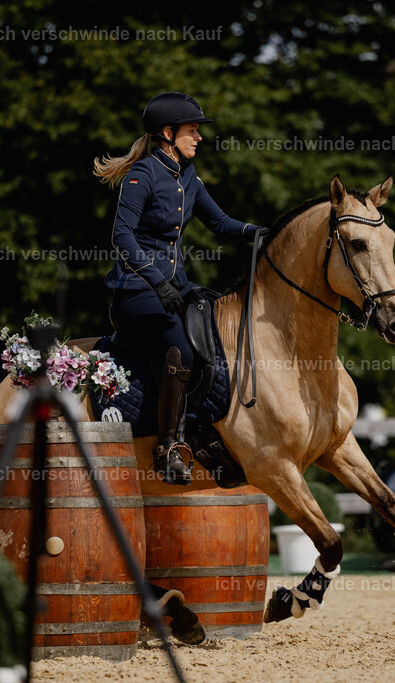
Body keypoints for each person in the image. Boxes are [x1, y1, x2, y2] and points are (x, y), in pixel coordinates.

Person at [94, 91, 264, 485]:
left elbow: (221, 223)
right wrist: (157, 280)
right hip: (135, 293)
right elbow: (122, 235)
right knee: (182, 352)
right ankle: (167, 448)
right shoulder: (142, 175)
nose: (199, 137)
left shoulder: (187, 176)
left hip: (176, 290)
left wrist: (265, 235)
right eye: (192, 131)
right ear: (168, 134)